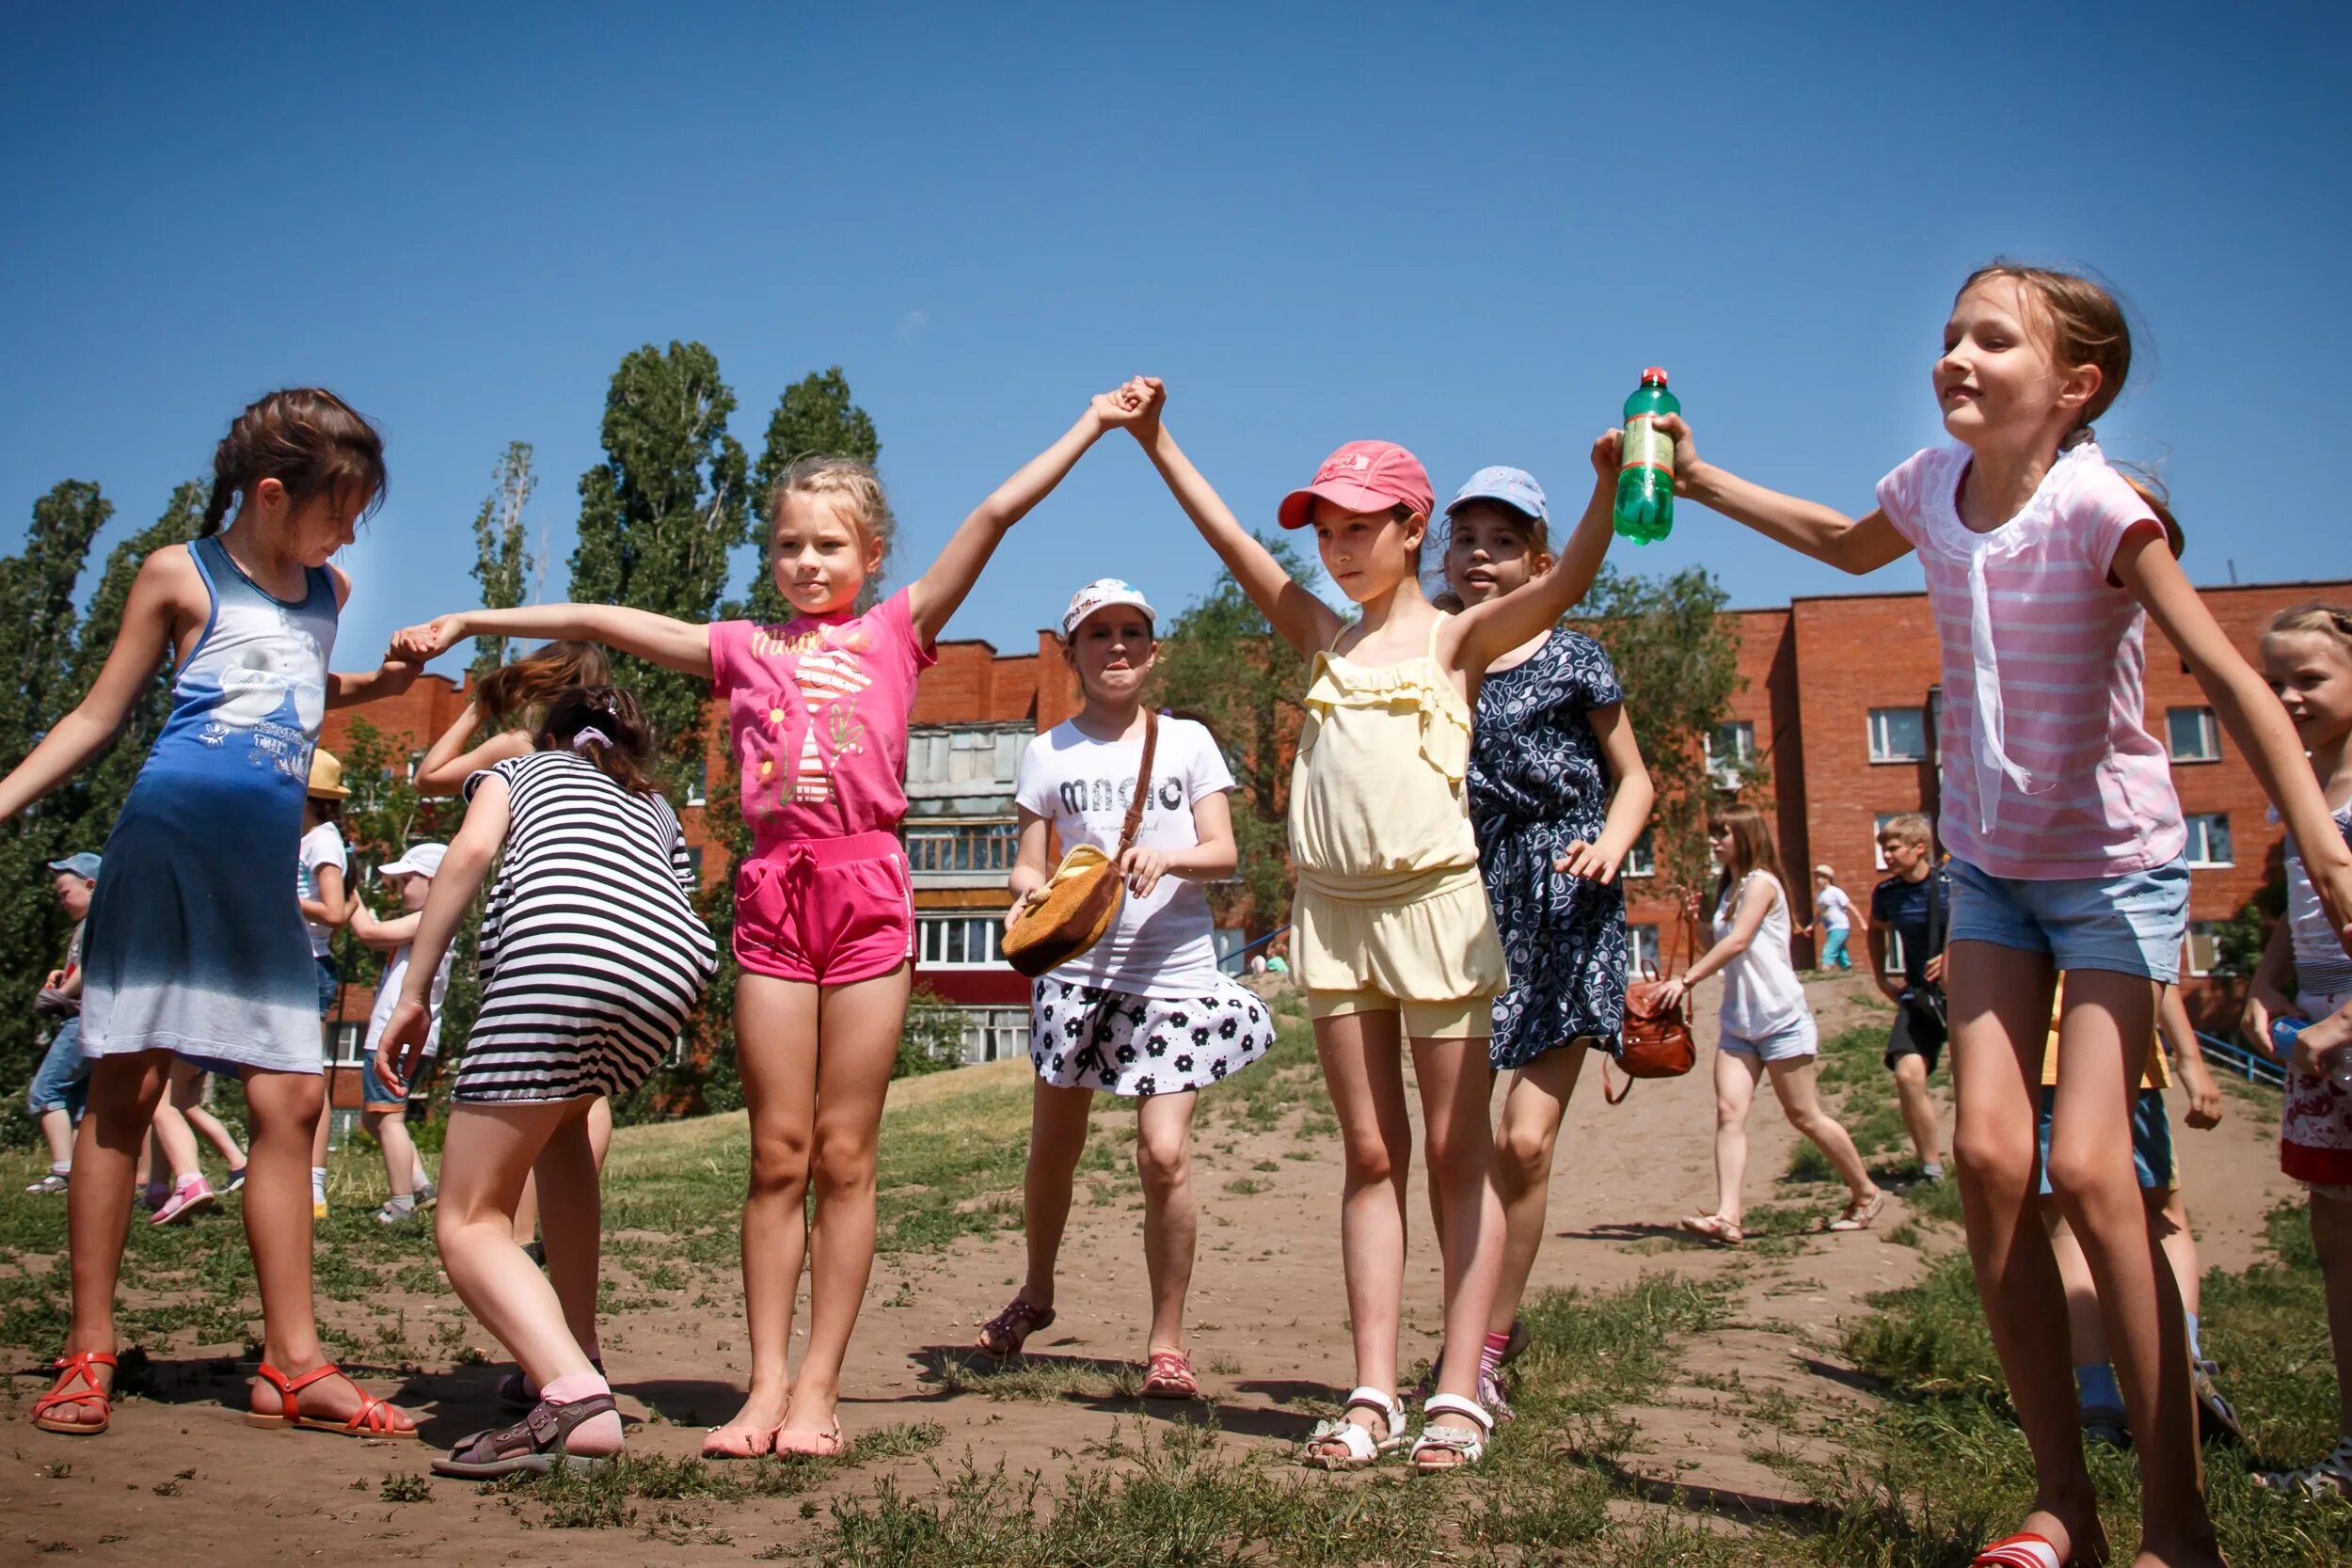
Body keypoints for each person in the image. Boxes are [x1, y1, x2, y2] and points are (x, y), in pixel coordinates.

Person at [1668, 263, 2352, 1568]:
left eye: (1993, 339)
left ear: (2075, 385)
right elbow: (1833, 541)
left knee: (2094, 1167)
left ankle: (2177, 1522)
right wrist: (1700, 478)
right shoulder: (1930, 487)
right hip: (1990, 869)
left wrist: (2318, 840)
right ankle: (2063, 1505)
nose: (1956, 356)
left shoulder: (2103, 505)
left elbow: (2219, 666)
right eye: (1948, 336)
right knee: (1990, 1160)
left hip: (2111, 872)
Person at [396, 379, 1155, 1458]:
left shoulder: (900, 631)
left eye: (830, 545)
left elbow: (992, 513)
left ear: (873, 556)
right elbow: (593, 619)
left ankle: (817, 1390)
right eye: (791, 544)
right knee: (777, 1154)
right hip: (771, 897)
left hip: (867, 895)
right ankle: (760, 1387)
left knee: (846, 1152)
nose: (807, 562)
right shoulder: (742, 649)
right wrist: (477, 618)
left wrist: (1092, 424)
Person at [1131, 378, 1618, 1472]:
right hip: (1335, 921)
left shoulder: (1460, 641)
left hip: (1437, 913)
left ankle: (1457, 1388)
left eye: (1363, 527)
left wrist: (1600, 490)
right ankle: (1368, 1391)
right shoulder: (1318, 634)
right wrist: (1159, 440)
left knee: (1456, 1146)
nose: (1340, 548)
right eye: (1329, 531)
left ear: (1412, 529)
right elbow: (1229, 540)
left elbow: (1573, 577)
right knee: (1367, 1151)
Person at [16, 387, 422, 1439]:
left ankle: (292, 1362)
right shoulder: (176, 572)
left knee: (290, 1103)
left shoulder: (325, 587)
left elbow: (291, 682)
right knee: (126, 1085)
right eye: (340, 509)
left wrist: (374, 684)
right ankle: (89, 1347)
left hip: (264, 872)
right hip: (167, 851)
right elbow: (100, 711)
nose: (349, 535)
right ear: (270, 491)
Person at [377, 685, 716, 1478]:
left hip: (558, 961)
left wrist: (417, 991)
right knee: (565, 1132)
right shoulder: (656, 805)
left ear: (550, 733)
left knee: (467, 1218)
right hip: (662, 974)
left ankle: (569, 1397)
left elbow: (465, 855)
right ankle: (577, 1349)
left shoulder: (523, 770)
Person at [979, 578, 1277, 1396]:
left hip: (1173, 976)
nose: (1117, 646)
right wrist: (1025, 891)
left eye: (1133, 633)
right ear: (1071, 653)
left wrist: (1169, 856)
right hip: (1075, 978)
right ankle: (1037, 1291)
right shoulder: (1048, 751)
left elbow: (1222, 850)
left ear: (1155, 650)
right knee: (1054, 1151)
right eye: (1098, 634)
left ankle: (1166, 1342)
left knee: (1165, 1153)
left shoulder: (1188, 744)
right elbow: (1030, 859)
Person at [1440, 466, 1654, 1416]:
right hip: (1465, 908)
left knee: (1523, 1139)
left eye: (1501, 540)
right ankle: (1469, 1324)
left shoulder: (1577, 658)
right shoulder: (1437, 657)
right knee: (1463, 1143)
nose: (1479, 557)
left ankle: (1486, 1341)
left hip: (1568, 900)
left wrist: (1610, 842)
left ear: (1539, 557)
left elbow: (1636, 778)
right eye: (1465, 539)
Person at [412, 640, 615, 1260]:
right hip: (612, 932)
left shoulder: (521, 749)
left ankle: (523, 1236)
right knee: (589, 1093)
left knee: (531, 1089)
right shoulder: (616, 756)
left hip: (541, 932)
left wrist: (478, 707)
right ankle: (565, 1214)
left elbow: (430, 776)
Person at [1660, 805, 1883, 1243]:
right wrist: (1696, 923)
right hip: (1738, 1022)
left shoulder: (1762, 884)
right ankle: (1728, 1216)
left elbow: (1741, 940)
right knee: (1729, 1113)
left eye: (1721, 833)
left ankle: (1866, 1191)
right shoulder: (1730, 889)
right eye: (1712, 834)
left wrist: (1686, 980)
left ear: (1746, 836)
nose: (1713, 841)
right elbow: (1723, 941)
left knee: (1804, 1115)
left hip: (1781, 1017)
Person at [2245, 602, 2352, 1501]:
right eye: (2274, 681)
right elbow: (2303, 900)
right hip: (2320, 1055)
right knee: (2336, 1240)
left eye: (2308, 678)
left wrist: (2344, 1020)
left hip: (2342, 1034)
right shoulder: (2306, 788)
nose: (2287, 695)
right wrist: (2263, 981)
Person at [2038, 981, 2237, 1449]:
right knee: (2164, 1216)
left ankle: (2100, 1398)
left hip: (2040, 1062)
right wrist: (2192, 1061)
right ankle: (2181, 1356)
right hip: (2124, 1055)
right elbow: (2154, 966)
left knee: (2067, 1229)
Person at [351, 842, 450, 1225]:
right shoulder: (433, 921)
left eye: (408, 879)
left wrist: (348, 890)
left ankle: (401, 1203)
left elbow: (370, 933)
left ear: (436, 884)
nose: (401, 888)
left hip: (398, 1036)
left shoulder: (432, 919)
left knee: (388, 1119)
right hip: (406, 1036)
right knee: (374, 1118)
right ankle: (421, 1188)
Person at [1867, 815, 1950, 1182]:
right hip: (1918, 998)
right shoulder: (1887, 894)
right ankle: (1930, 1166)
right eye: (1883, 847)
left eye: (1893, 846)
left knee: (1974, 1082)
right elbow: (1875, 930)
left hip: (1967, 995)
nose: (1886, 853)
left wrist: (1953, 956)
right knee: (1907, 1075)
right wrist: (1881, 977)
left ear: (1920, 849)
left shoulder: (1953, 884)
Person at [24, 853, 101, 1195]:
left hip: (83, 1020)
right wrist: (60, 978)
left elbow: (91, 967)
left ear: (91, 885)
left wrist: (60, 996)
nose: (61, 902)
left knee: (46, 1090)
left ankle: (63, 1171)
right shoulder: (87, 925)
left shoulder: (96, 922)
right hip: (93, 1019)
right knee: (83, 1099)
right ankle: (82, 1171)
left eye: (64, 893)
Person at [300, 750, 353, 1221]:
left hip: (308, 964)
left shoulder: (321, 841)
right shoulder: (304, 838)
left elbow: (334, 912)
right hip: (289, 963)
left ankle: (313, 1186)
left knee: (307, 1076)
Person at [1808, 864, 1857, 971]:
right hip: (1830, 928)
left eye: (1819, 877)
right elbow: (1820, 913)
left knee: (1829, 951)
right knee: (1840, 953)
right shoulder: (1821, 895)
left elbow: (1850, 906)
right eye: (1815, 877)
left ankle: (1825, 970)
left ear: (1827, 878)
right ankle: (1848, 969)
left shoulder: (1835, 891)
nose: (1816, 880)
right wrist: (1811, 925)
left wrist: (1862, 922)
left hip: (1840, 926)